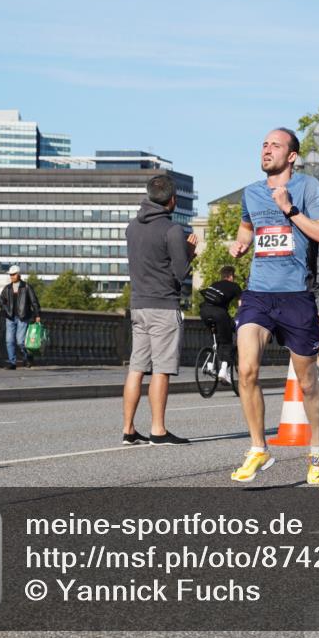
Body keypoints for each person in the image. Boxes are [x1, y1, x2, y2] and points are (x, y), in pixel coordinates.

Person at [228, 127, 319, 485]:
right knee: (246, 371)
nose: (266, 150)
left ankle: (316, 449)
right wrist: (240, 244)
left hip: (296, 297)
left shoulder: (309, 188)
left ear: (291, 156)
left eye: (275, 145)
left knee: (307, 384)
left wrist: (289, 210)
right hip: (258, 293)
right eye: (263, 144)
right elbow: (247, 227)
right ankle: (258, 448)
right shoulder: (251, 193)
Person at [120, 174, 196, 446]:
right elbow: (179, 273)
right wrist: (189, 253)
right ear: (172, 200)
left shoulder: (131, 228)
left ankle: (128, 429)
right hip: (163, 306)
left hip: (138, 305)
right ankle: (158, 430)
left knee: (137, 368)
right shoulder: (172, 230)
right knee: (161, 369)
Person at [199, 265, 242, 385]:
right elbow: (241, 305)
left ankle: (210, 365)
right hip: (219, 314)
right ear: (231, 276)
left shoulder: (214, 284)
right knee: (228, 341)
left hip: (204, 311)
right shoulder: (235, 286)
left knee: (215, 337)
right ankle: (223, 370)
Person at [0, 265, 41, 370]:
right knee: (9, 341)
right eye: (10, 275)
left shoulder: (26, 287)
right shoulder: (7, 288)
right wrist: (6, 309)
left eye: (13, 274)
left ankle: (27, 357)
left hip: (22, 317)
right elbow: (0, 302)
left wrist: (37, 315)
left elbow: (34, 302)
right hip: (10, 318)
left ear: (19, 274)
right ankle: (12, 363)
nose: (12, 276)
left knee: (20, 341)